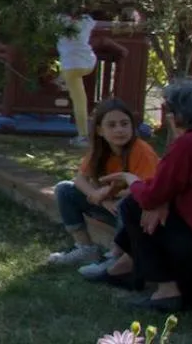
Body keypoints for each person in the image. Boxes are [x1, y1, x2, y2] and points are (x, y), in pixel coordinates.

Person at [98, 80, 192, 313]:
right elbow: (175, 188)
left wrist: (130, 179)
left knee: (132, 205)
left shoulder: (190, 144)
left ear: (180, 115)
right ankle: (123, 267)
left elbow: (148, 196)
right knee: (151, 204)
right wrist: (161, 200)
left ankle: (166, 292)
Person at [44, 98, 158, 270]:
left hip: (137, 213)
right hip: (109, 206)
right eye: (111, 125)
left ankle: (115, 257)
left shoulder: (142, 151)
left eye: (124, 124)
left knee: (127, 205)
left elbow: (150, 189)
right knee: (64, 189)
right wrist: (101, 198)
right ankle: (85, 248)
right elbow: (80, 179)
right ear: (100, 130)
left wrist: (108, 194)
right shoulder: (100, 150)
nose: (119, 130)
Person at [56, 12, 98, 148]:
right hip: (88, 62)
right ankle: (62, 80)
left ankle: (83, 136)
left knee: (79, 101)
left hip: (70, 65)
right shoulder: (87, 19)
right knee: (81, 98)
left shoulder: (59, 19)